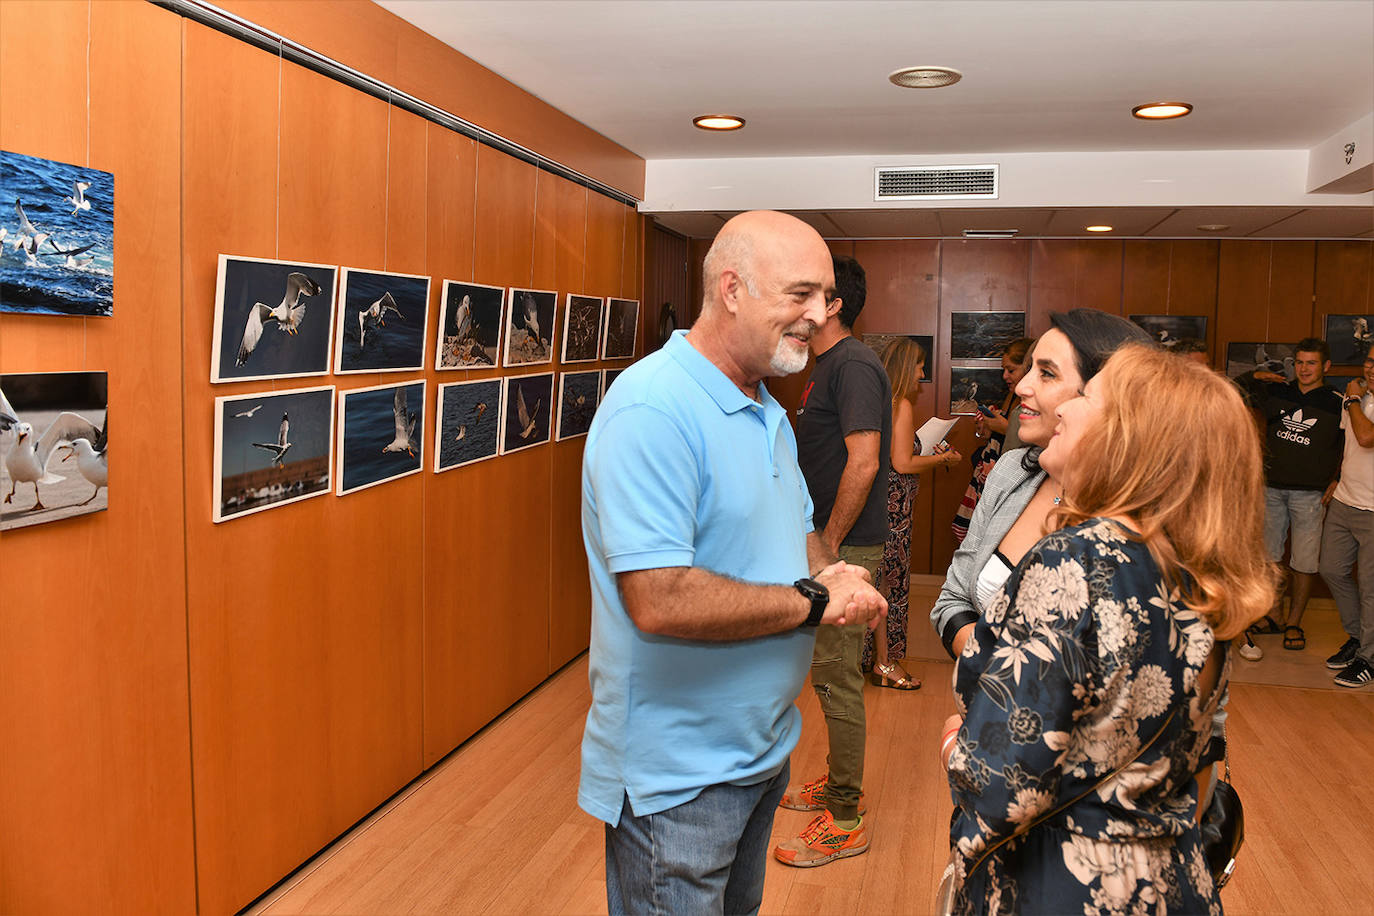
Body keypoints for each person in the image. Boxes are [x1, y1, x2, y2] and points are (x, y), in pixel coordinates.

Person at [579, 210, 886, 915]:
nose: (820, 314)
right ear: (732, 290)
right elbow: (661, 598)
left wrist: (829, 569)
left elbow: (797, 525)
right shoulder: (654, 408)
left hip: (759, 756)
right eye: (800, 294)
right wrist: (813, 600)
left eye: (827, 297)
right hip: (678, 782)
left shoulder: (763, 404)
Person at [939, 344, 1277, 913]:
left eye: (1086, 398)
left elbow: (999, 786)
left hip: (1069, 886)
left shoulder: (1072, 563)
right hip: (1170, 884)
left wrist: (954, 742)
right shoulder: (1203, 575)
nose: (1064, 409)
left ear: (1126, 438)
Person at [933, 310, 1151, 659]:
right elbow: (952, 600)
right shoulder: (1012, 471)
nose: (1021, 386)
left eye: (1047, 373)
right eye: (1030, 367)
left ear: (1107, 398)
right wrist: (991, 682)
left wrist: (1011, 693)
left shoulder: (1147, 515)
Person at [773, 254, 889, 867]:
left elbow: (864, 462)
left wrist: (832, 549)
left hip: (846, 546)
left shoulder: (856, 365)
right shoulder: (825, 366)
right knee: (827, 675)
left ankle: (846, 816)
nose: (799, 305)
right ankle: (837, 782)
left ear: (835, 305)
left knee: (838, 678)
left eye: (810, 293)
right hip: (827, 543)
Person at [862, 337, 962, 688]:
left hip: (878, 506)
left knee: (877, 581)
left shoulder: (879, 401)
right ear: (907, 367)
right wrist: (941, 458)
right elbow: (902, 462)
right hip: (895, 512)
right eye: (920, 366)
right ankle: (887, 664)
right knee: (895, 584)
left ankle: (871, 658)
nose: (923, 373)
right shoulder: (901, 404)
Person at [1238, 337, 1345, 651]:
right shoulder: (1277, 391)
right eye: (1299, 362)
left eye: (1311, 363)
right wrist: (1255, 376)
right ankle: (1272, 615)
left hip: (1311, 495)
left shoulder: (1337, 400)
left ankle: (1295, 622)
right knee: (1270, 560)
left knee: (1304, 563)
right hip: (1271, 489)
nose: (1304, 369)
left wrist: (1337, 478)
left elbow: (1352, 445)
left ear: (1325, 366)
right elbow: (1230, 388)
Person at [1319, 343, 1374, 687]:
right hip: (1344, 500)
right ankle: (1358, 638)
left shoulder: (1353, 398)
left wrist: (1353, 400)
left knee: (1371, 588)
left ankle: (1370, 657)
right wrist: (1338, 478)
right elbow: (1350, 442)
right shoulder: (1356, 397)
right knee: (1331, 569)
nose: (1371, 368)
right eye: (1370, 361)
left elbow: (1367, 436)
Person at [952, 338, 1033, 543]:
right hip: (995, 473)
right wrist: (985, 429)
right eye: (1003, 369)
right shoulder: (1012, 396)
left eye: (1011, 370)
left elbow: (1028, 442)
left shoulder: (1034, 401)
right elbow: (996, 436)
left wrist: (1003, 428)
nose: (1005, 376)